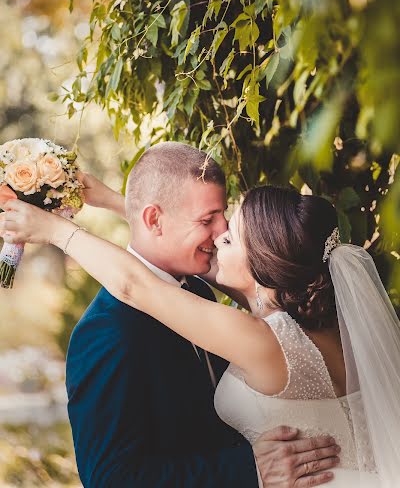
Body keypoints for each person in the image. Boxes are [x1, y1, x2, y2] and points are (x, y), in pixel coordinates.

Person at [4, 143, 380, 487]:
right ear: (155, 219)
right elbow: (111, 478)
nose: (219, 235)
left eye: (228, 231)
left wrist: (56, 230)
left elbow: (135, 283)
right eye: (209, 220)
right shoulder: (105, 331)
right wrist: (123, 204)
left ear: (266, 265)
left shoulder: (234, 315)